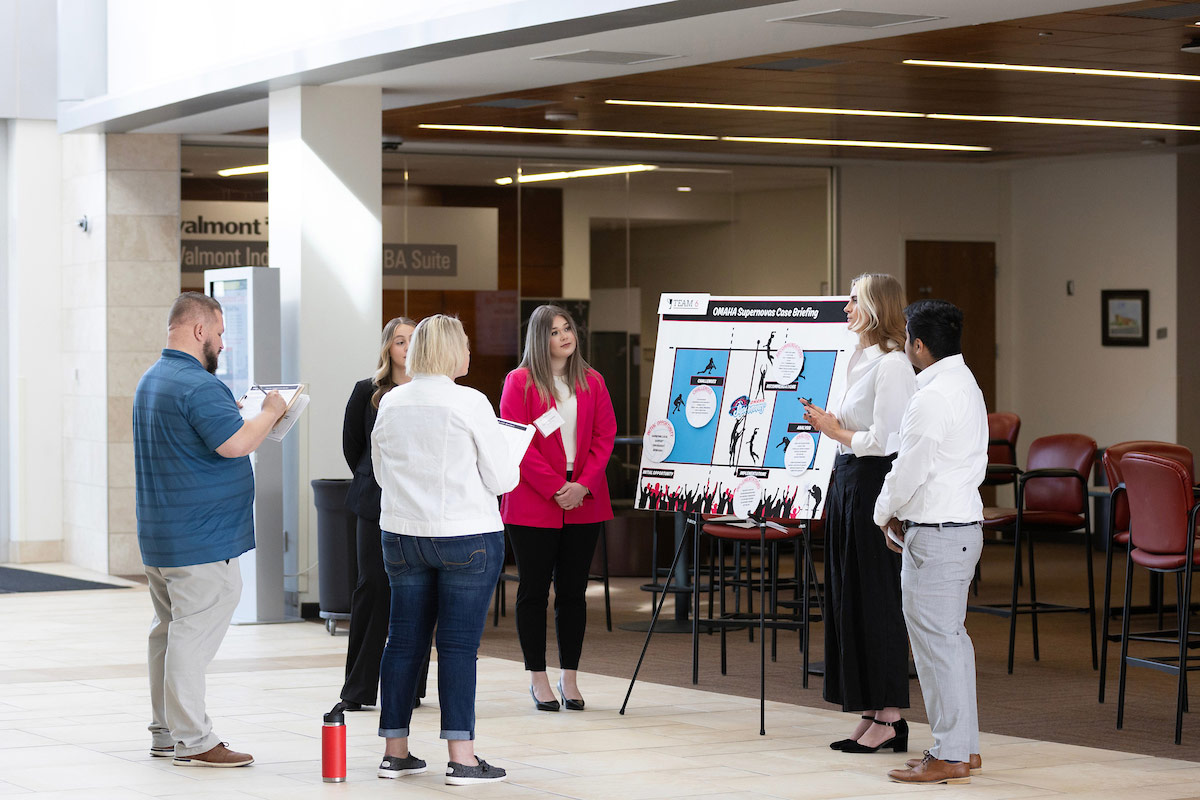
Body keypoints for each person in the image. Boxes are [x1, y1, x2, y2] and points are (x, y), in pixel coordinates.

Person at [134, 292, 287, 767]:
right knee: (190, 638)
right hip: (203, 541)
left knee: (170, 633)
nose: (222, 344)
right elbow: (236, 444)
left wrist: (241, 413)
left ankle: (165, 731)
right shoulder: (198, 384)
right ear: (199, 331)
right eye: (219, 334)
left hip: (163, 538)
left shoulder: (152, 379)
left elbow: (198, 439)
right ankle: (195, 740)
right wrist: (270, 412)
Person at [372, 314, 518, 785]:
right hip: (465, 534)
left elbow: (380, 472)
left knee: (403, 641)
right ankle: (463, 758)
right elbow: (503, 479)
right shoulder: (470, 400)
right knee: (457, 647)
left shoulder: (391, 402)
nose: (470, 353)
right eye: (466, 345)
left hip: (401, 534)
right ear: (453, 352)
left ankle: (395, 753)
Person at [873, 299, 988, 785]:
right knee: (952, 643)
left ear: (919, 346)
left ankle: (949, 753)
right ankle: (965, 747)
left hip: (938, 536)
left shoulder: (933, 396)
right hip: (961, 530)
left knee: (937, 647)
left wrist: (881, 512)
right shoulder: (967, 384)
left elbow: (909, 469)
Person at [801, 273, 916, 754]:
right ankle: (870, 710)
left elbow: (887, 441)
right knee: (849, 596)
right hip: (847, 482)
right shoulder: (859, 359)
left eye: (853, 301)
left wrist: (835, 430)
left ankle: (891, 716)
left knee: (877, 598)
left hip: (872, 483)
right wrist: (832, 425)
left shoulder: (893, 365)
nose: (846, 308)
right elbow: (857, 426)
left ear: (874, 307)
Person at [500, 305, 616, 712]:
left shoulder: (593, 381)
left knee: (573, 592)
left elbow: (605, 437)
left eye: (568, 328)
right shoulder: (520, 382)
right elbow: (519, 443)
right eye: (554, 331)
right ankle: (537, 677)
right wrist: (555, 487)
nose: (565, 336)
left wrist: (581, 484)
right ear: (538, 338)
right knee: (533, 591)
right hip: (535, 498)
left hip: (584, 496)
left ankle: (570, 676)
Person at [337, 317, 430, 711]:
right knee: (372, 589)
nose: (407, 347)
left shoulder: (432, 393)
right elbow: (352, 449)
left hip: (419, 507)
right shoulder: (366, 391)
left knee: (416, 595)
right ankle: (358, 689)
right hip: (374, 504)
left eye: (414, 340)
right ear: (387, 348)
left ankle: (411, 687)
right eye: (399, 341)